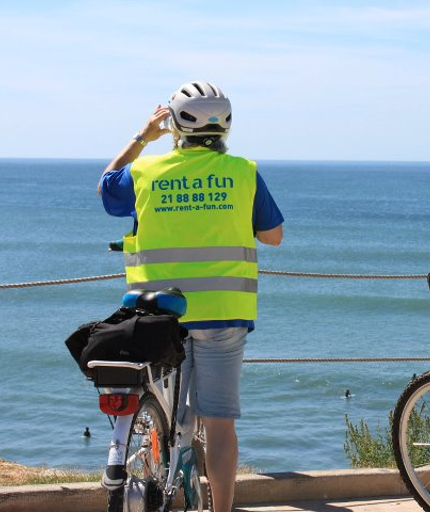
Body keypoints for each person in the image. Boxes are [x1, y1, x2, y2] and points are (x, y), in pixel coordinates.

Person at [98, 81, 284, 511]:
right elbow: (272, 236)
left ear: (176, 126)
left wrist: (143, 137)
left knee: (158, 394)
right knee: (220, 425)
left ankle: (153, 440)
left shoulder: (145, 172)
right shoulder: (243, 171)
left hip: (155, 313)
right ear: (226, 127)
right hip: (223, 314)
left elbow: (106, 189)